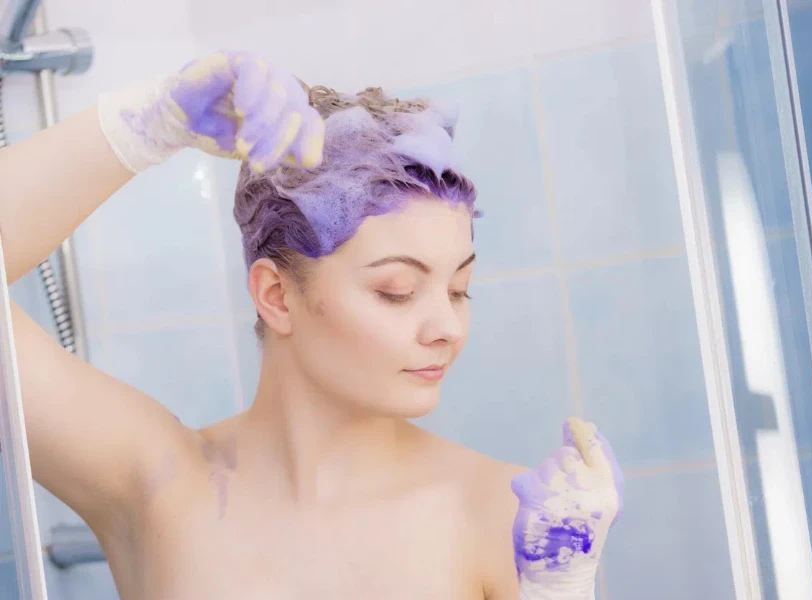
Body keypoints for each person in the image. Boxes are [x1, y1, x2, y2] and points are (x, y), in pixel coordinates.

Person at [0, 51, 622, 599]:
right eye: (397, 291)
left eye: (459, 289)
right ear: (276, 295)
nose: (448, 328)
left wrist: (558, 590)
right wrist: (147, 124)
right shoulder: (155, 483)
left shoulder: (495, 513)